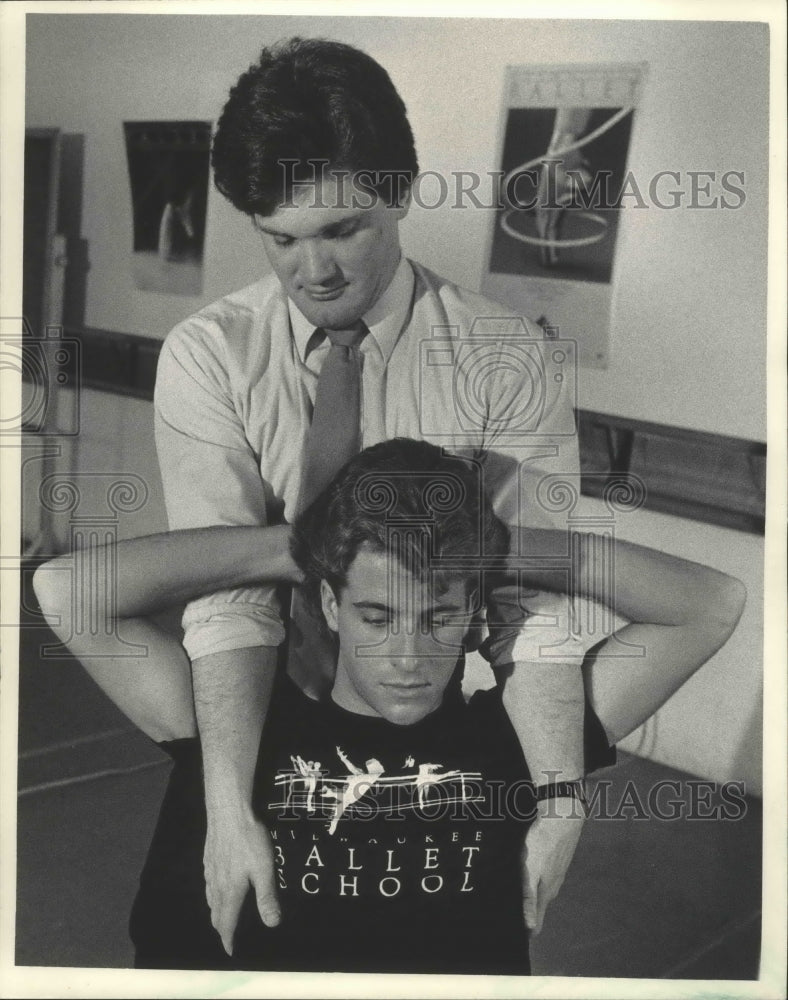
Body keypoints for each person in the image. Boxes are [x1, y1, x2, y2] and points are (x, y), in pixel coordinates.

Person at [59, 36, 737, 953]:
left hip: (436, 726)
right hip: (262, 722)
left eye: (344, 230)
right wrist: (228, 804)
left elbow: (539, 607)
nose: (315, 273)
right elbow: (227, 605)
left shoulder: (506, 356)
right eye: (283, 239)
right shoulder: (209, 354)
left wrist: (559, 796)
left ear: (402, 191)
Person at [32, 439, 746, 973]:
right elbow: (65, 591)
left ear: (473, 612)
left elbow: (712, 607)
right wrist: (305, 549)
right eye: (377, 615)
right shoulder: (237, 726)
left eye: (438, 617)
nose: (409, 657)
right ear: (329, 605)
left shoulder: (519, 740)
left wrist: (497, 552)